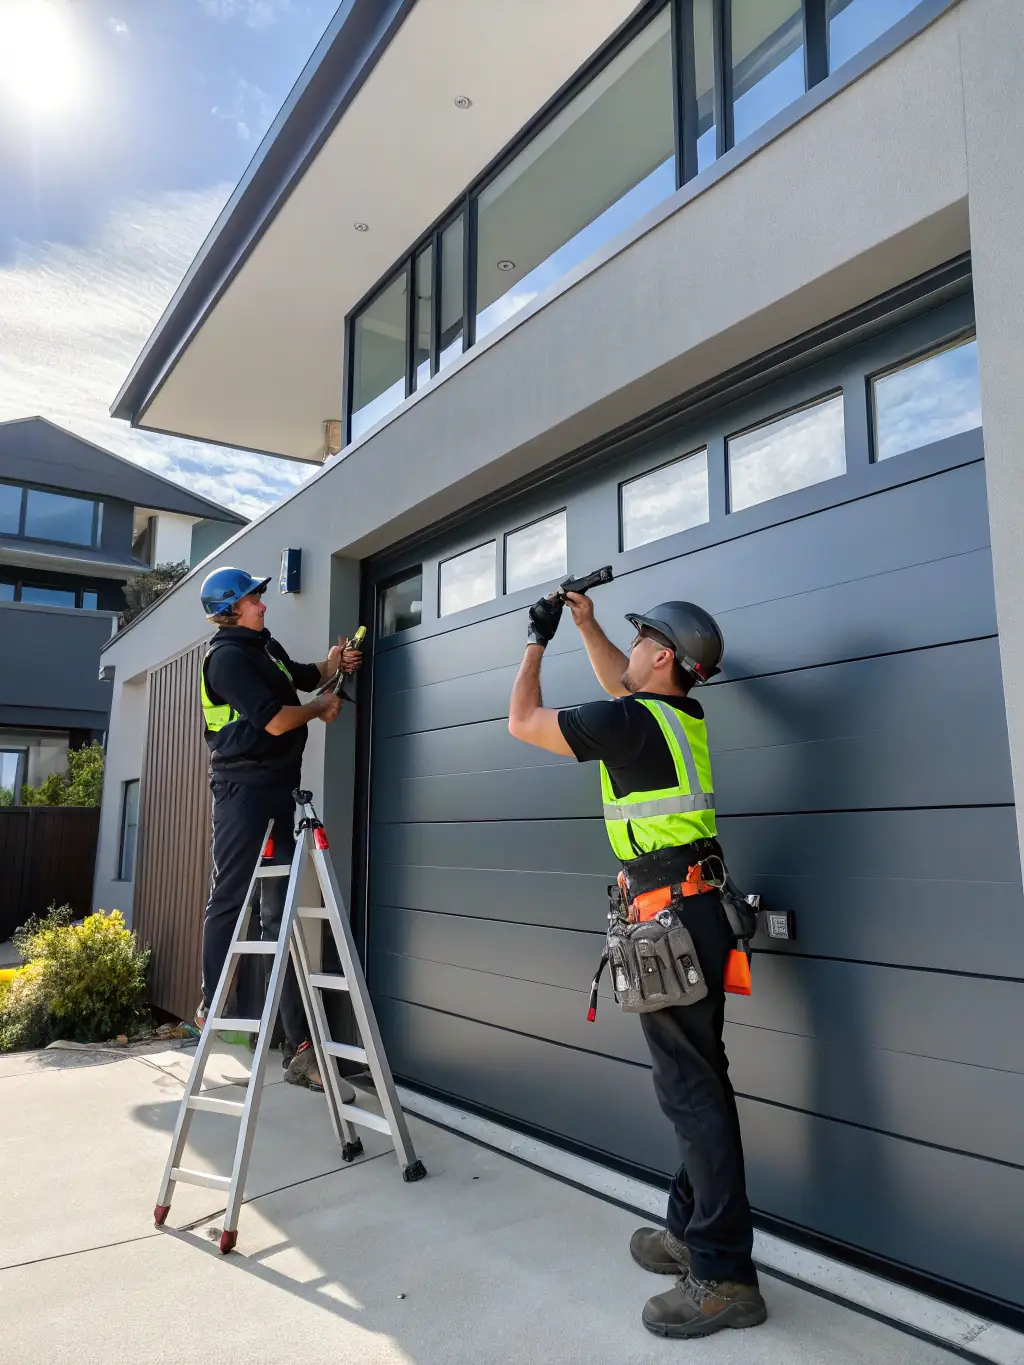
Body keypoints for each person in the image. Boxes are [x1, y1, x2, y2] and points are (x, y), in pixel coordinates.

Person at [508, 588, 766, 1339]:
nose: (633, 649)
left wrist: (537, 640)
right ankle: (691, 1230)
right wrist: (587, 625)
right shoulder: (676, 717)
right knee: (697, 1084)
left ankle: (725, 1276)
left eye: (642, 638)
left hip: (672, 921)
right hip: (697, 914)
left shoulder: (630, 722)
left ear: (661, 654)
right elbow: (624, 688)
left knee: (693, 1093)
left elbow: (522, 720)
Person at [197, 566, 362, 1093]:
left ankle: (300, 1049)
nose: (263, 603)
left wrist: (332, 665)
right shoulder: (226, 658)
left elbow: (304, 675)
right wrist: (318, 708)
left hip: (276, 789)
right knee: (232, 896)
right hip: (242, 793)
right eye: (253, 598)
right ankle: (213, 1001)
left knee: (280, 916)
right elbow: (273, 719)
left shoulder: (263, 646)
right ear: (230, 609)